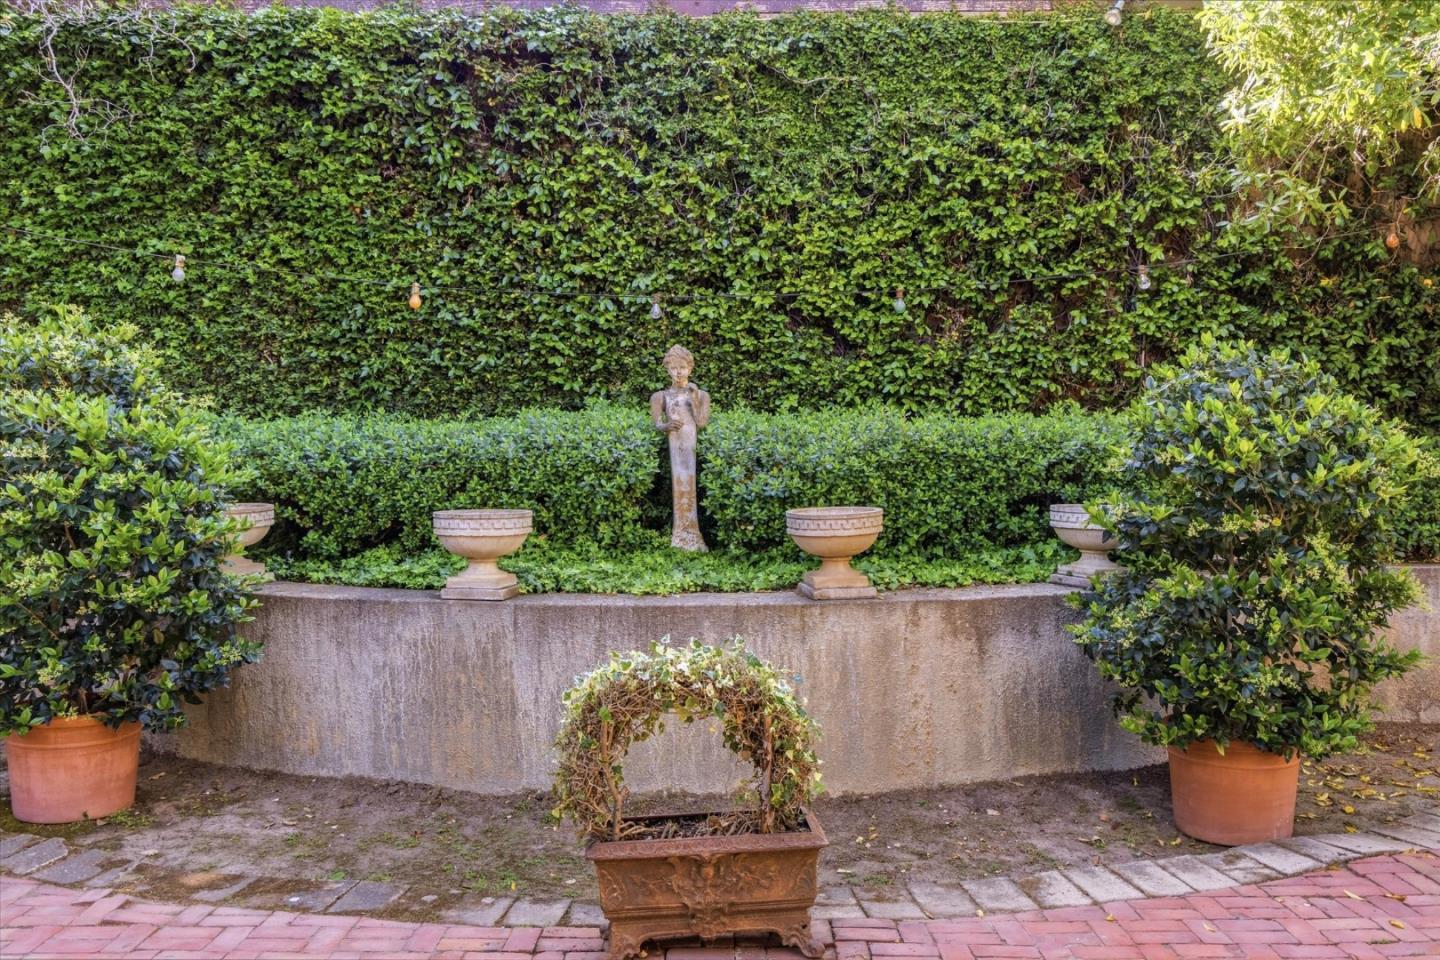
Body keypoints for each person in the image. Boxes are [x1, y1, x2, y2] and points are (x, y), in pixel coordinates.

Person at [649, 345, 710, 552]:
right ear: (667, 370)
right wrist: (665, 426)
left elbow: (701, 422)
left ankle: (694, 535)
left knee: (690, 483)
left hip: (690, 445)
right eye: (673, 368)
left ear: (690, 368)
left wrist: (694, 400)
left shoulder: (701, 395)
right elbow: (657, 423)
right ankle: (680, 536)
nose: (678, 372)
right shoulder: (660, 396)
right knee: (678, 483)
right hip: (675, 443)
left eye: (682, 367)